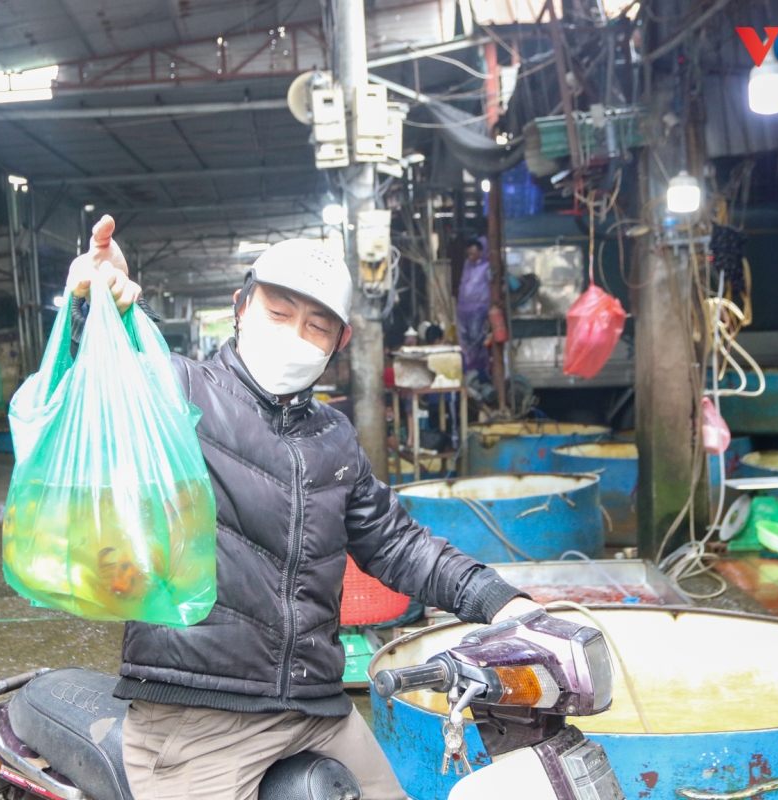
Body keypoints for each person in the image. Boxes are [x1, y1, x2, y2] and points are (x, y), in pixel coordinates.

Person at [67, 216, 541, 800]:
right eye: (277, 313)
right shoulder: (177, 391)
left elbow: (396, 544)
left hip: (316, 710)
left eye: (316, 325)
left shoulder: (333, 437)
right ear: (241, 305)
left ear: (338, 343)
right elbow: (95, 393)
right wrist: (93, 311)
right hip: (198, 719)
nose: (295, 334)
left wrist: (501, 601)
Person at [457, 237, 491, 382]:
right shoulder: (467, 265)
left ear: (481, 252)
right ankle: (468, 372)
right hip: (464, 310)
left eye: (473, 254)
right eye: (469, 254)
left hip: (479, 309)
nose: (470, 257)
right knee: (465, 343)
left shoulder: (488, 267)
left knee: (477, 342)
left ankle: (480, 375)